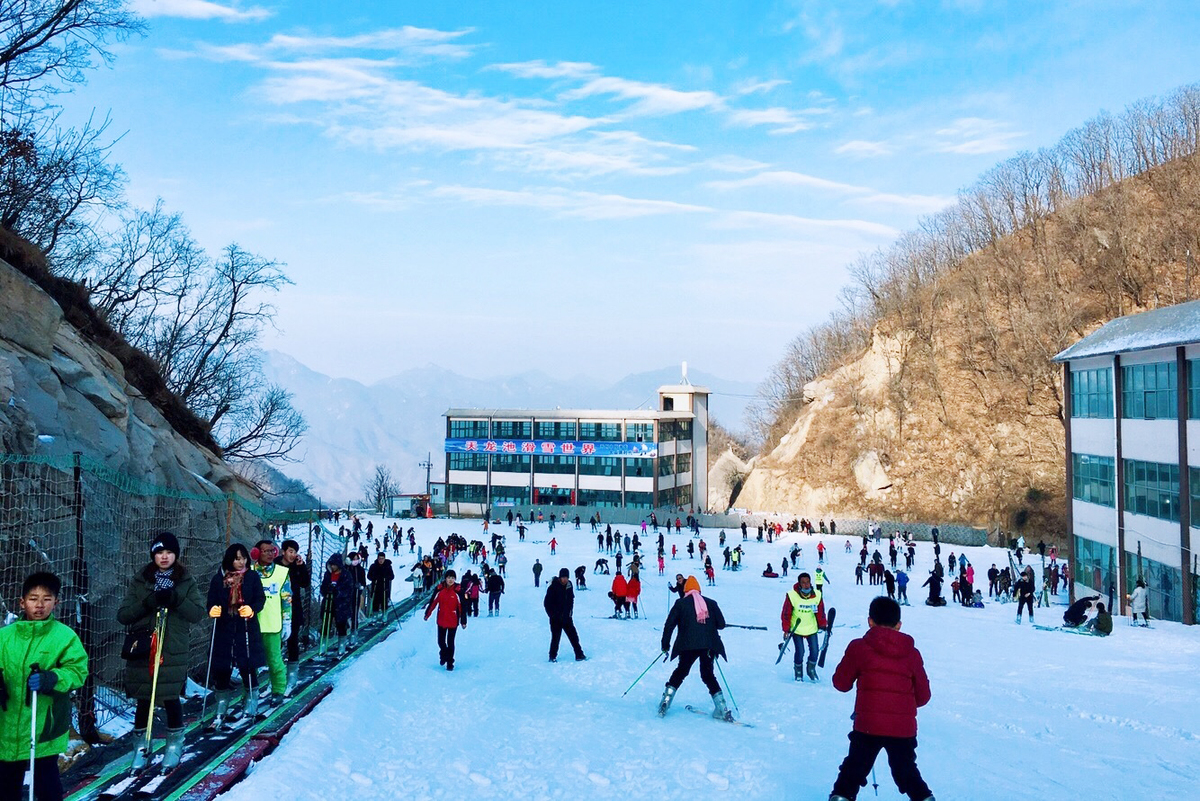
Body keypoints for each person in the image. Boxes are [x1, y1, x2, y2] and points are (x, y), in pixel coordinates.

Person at [828, 597, 933, 801]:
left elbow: (841, 683)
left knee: (854, 769)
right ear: (899, 625)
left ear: (870, 621)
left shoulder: (859, 647)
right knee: (906, 771)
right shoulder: (912, 653)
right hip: (902, 728)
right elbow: (923, 696)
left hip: (868, 725)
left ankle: (840, 798)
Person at [117, 533, 204, 770]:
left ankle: (174, 745)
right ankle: (141, 747)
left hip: (172, 649)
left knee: (170, 696)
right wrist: (148, 603)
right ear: (153, 555)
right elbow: (123, 614)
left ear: (176, 554)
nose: (164, 557)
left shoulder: (185, 580)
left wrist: (175, 599)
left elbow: (197, 613)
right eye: (159, 552)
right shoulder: (141, 580)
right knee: (144, 698)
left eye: (168, 552)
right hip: (144, 648)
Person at [0, 572, 88, 801]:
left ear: (56, 603)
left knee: (46, 782)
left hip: (44, 725)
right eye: (33, 598)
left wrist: (53, 679)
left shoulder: (64, 637)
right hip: (6, 726)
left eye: (47, 599)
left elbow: (77, 671)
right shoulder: (4, 637)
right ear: (22, 602)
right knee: (6, 784)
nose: (39, 605)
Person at [207, 544, 266, 729]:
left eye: (243, 558)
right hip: (225, 627)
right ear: (229, 560)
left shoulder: (252, 577)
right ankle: (221, 705)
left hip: (246, 627)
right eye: (236, 558)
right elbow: (211, 601)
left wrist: (252, 609)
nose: (241, 562)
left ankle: (251, 702)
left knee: (247, 665)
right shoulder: (219, 579)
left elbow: (260, 599)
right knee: (222, 667)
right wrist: (212, 610)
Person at [657, 576, 731, 720]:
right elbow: (721, 624)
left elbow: (669, 625)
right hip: (709, 645)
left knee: (681, 672)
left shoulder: (680, 604)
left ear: (685, 590)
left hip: (687, 645)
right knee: (708, 675)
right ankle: (722, 708)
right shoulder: (711, 603)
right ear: (699, 589)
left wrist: (665, 645)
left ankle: (665, 702)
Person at [251, 540, 291, 705]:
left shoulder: (282, 572)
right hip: (252, 625)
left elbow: (287, 599)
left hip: (273, 625)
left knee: (275, 661)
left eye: (271, 551)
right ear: (256, 553)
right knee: (250, 663)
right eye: (265, 551)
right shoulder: (250, 572)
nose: (269, 554)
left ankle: (278, 690)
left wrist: (287, 621)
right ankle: (250, 693)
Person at [781, 572, 828, 682]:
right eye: (803, 583)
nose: (806, 585)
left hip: (811, 628)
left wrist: (823, 624)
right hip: (796, 629)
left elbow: (820, 612)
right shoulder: (792, 595)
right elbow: (786, 613)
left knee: (815, 651)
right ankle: (798, 671)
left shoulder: (817, 595)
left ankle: (811, 668)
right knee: (800, 651)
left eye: (808, 582)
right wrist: (786, 629)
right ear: (799, 584)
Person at [277, 539, 309, 694]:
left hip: (293, 610)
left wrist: (302, 567)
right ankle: (276, 678)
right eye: (290, 551)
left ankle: (292, 677)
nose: (293, 554)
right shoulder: (275, 564)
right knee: (276, 645)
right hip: (275, 609)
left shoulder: (297, 566)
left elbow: (305, 583)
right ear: (283, 551)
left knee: (292, 641)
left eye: (295, 552)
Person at [424, 570, 467, 670]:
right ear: (445, 578)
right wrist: (427, 614)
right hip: (441, 620)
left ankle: (450, 662)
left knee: (450, 642)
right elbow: (433, 602)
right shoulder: (440, 589)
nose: (450, 580)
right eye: (449, 578)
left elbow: (462, 607)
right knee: (441, 641)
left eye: (452, 578)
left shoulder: (458, 590)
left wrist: (463, 621)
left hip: (453, 620)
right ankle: (443, 654)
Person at [544, 568, 586, 662]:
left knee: (574, 636)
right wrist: (553, 615)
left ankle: (579, 654)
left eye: (566, 577)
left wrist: (570, 611)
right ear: (560, 577)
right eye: (563, 577)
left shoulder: (569, 586)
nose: (565, 579)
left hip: (567, 617)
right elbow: (547, 603)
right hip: (556, 619)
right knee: (556, 638)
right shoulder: (553, 587)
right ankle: (552, 656)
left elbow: (571, 599)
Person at [319, 553, 357, 655]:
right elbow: (322, 588)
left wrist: (338, 592)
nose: (332, 567)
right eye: (331, 564)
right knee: (325, 624)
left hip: (341, 605)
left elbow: (348, 589)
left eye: (334, 565)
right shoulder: (328, 574)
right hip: (328, 603)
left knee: (341, 624)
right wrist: (327, 590)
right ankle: (323, 644)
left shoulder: (346, 575)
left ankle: (342, 644)